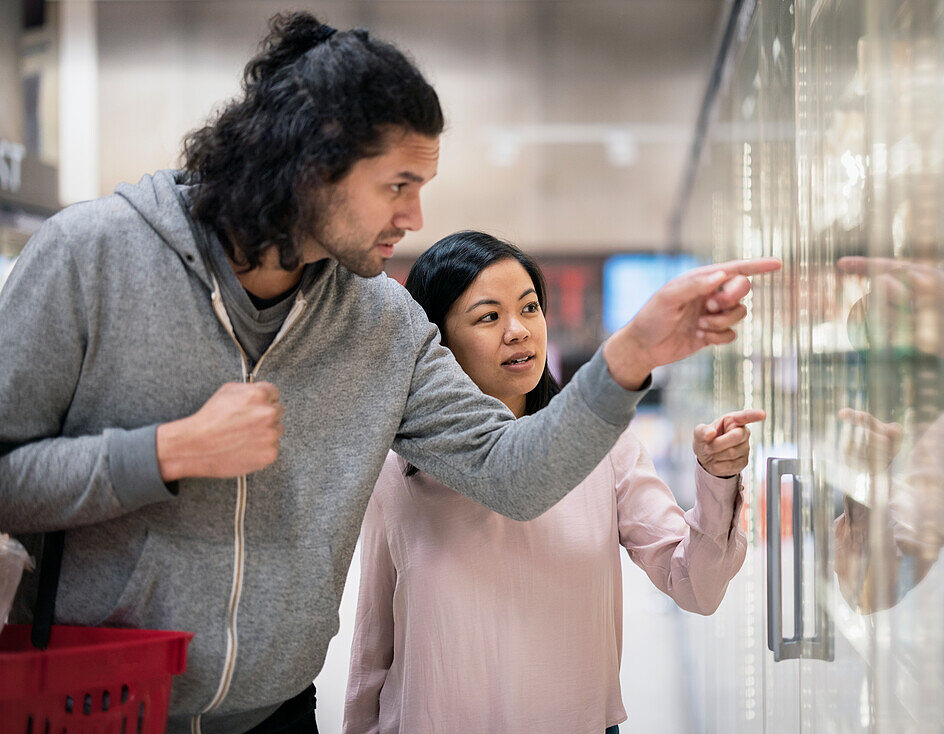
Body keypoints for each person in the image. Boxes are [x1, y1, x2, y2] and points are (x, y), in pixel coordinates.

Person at [0, 11, 781, 734]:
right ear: (312, 165)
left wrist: (631, 356)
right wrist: (165, 454)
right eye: (398, 186)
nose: (413, 218)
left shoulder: (379, 322)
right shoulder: (91, 257)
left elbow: (510, 469)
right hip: (90, 706)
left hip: (275, 716)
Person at [342, 231, 760, 734]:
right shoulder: (398, 466)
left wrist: (718, 478)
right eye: (488, 316)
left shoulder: (604, 447)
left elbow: (696, 584)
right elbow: (374, 643)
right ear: (437, 341)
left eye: (530, 307)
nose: (518, 331)